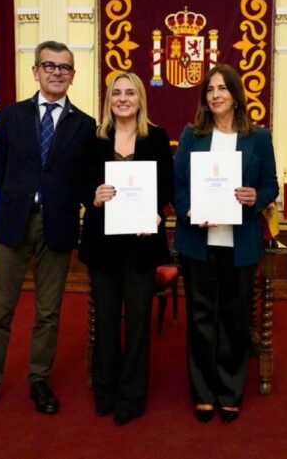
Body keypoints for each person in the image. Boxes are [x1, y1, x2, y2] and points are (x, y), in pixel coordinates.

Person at [0, 41, 96, 420]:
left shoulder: (84, 126)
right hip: (14, 222)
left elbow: (85, 180)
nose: (56, 72)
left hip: (58, 226)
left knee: (48, 312)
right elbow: (0, 170)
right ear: (35, 71)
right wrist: (24, 198)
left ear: (73, 76)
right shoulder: (11, 116)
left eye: (64, 67)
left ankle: (39, 379)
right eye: (49, 65)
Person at [173, 64, 278, 424]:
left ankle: (230, 391)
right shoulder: (192, 135)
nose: (216, 94)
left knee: (234, 320)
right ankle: (202, 392)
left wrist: (255, 196)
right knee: (201, 319)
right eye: (210, 89)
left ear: (235, 94)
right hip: (198, 241)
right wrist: (188, 211)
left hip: (241, 242)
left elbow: (270, 187)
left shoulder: (259, 138)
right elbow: (177, 184)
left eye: (222, 88)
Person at [78, 72, 174, 426]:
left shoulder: (158, 137)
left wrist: (157, 210)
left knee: (137, 322)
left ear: (140, 99)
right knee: (104, 321)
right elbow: (79, 183)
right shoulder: (93, 138)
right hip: (102, 244)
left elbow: (166, 184)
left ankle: (132, 396)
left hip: (141, 244)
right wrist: (94, 196)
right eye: (116, 93)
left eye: (129, 92)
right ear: (109, 100)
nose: (122, 98)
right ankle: (104, 391)